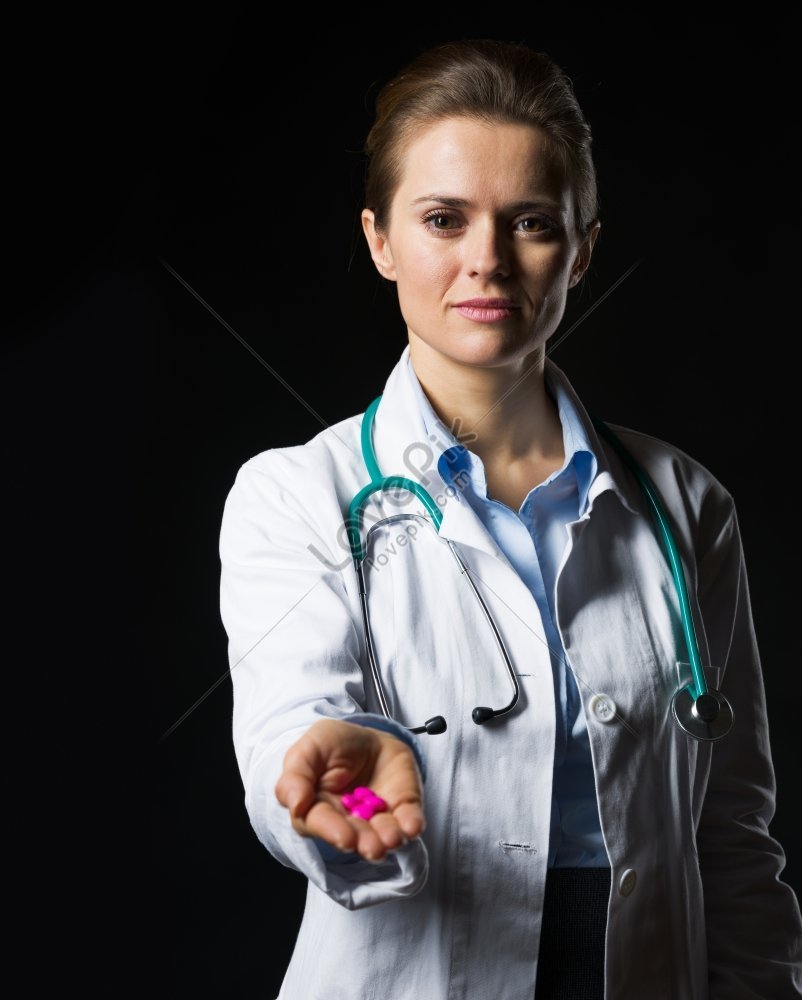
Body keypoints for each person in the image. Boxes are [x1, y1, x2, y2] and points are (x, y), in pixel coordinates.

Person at [218, 38, 802, 999]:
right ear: (379, 240)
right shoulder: (295, 495)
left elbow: (731, 832)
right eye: (443, 219)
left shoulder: (687, 504)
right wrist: (348, 794)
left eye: (530, 222)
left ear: (582, 249)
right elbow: (299, 728)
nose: (485, 261)